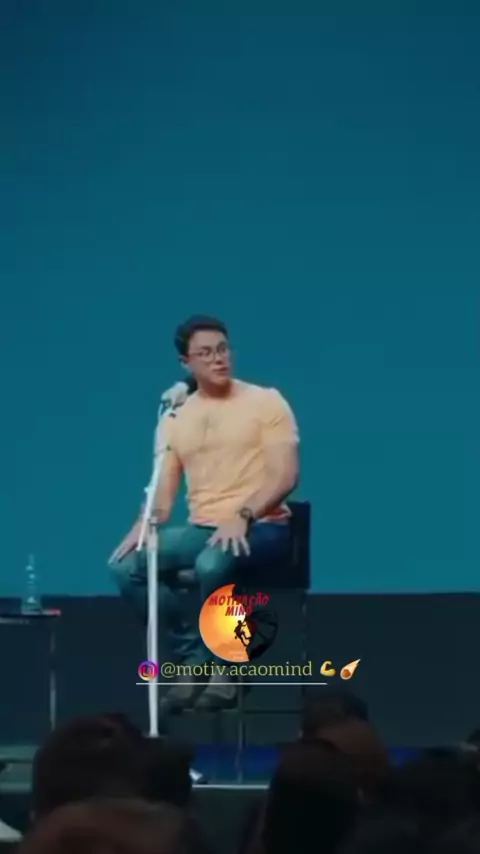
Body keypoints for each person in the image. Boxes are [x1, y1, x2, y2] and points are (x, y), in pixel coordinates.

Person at [110, 315, 299, 711]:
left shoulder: (266, 401)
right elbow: (163, 493)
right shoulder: (176, 417)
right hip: (205, 527)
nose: (218, 359)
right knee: (126, 567)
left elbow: (285, 476)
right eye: (206, 353)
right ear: (186, 362)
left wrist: (243, 514)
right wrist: (143, 525)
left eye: (223, 349)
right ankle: (193, 658)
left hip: (262, 524)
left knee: (212, 563)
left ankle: (230, 667)